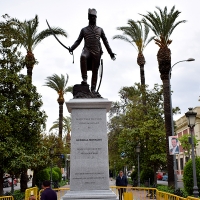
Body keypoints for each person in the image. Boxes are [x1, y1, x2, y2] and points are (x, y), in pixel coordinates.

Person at [69, 8, 116, 94]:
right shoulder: (84, 30)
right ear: (89, 18)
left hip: (96, 51)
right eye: (92, 17)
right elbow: (78, 41)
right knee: (82, 56)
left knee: (95, 70)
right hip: (87, 49)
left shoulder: (100, 29)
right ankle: (84, 79)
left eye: (95, 17)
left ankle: (93, 89)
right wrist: (72, 48)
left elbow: (105, 42)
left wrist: (110, 53)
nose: (93, 18)